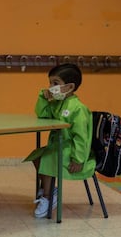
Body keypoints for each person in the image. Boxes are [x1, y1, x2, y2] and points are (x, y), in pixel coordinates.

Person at [24, 63, 96, 218]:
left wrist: (78, 159)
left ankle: (48, 197)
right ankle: (51, 191)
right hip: (58, 146)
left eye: (55, 83)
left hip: (71, 151)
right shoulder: (57, 103)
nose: (51, 87)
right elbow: (42, 114)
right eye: (50, 83)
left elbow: (81, 137)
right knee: (36, 156)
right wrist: (43, 97)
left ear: (70, 87)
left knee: (47, 159)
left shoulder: (78, 108)